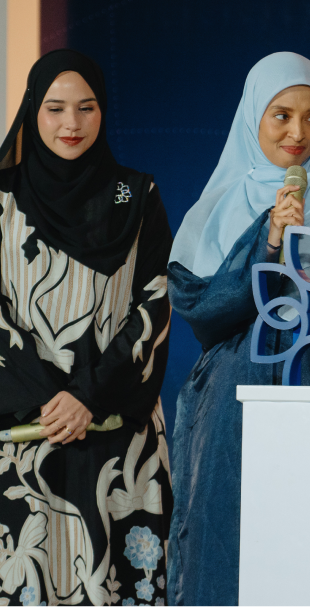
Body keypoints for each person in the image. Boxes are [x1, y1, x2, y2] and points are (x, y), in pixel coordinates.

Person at [166, 51, 310, 607]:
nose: (298, 133)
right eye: (281, 115)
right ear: (252, 119)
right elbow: (201, 310)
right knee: (233, 559)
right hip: (236, 412)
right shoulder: (219, 206)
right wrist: (267, 241)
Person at [0, 49, 173, 607]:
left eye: (86, 108)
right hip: (24, 439)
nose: (71, 124)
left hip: (118, 438)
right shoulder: (2, 199)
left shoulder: (132, 194)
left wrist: (87, 395)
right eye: (54, 108)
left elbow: (153, 303)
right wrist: (53, 400)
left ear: (103, 113)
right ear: (32, 112)